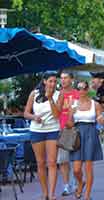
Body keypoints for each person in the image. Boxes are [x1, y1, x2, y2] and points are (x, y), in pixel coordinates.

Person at [24, 72, 62, 200]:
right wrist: (34, 117)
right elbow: (26, 113)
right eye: (50, 81)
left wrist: (50, 98)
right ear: (44, 81)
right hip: (36, 131)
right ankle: (44, 192)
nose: (53, 84)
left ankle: (51, 194)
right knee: (40, 163)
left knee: (52, 162)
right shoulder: (34, 94)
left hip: (53, 130)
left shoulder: (58, 94)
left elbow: (57, 115)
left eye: (55, 81)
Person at [68, 81, 104, 200]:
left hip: (90, 133)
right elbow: (69, 124)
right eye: (79, 89)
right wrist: (70, 116)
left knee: (88, 166)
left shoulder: (95, 104)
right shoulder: (73, 105)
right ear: (76, 90)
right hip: (77, 134)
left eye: (84, 88)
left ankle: (87, 195)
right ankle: (80, 183)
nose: (81, 91)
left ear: (88, 89)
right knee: (76, 169)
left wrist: (101, 119)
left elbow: (101, 119)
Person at [57, 71, 79, 196]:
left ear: (71, 79)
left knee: (76, 159)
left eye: (65, 78)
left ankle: (77, 183)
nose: (63, 80)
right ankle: (66, 186)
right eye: (61, 78)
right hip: (62, 130)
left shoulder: (77, 94)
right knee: (63, 160)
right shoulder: (58, 94)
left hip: (75, 129)